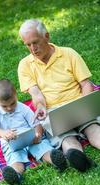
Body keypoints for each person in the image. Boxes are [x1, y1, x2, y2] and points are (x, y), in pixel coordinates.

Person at [18, 19, 100, 172]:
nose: (32, 48)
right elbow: (36, 94)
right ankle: (79, 159)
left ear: (47, 36)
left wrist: (83, 105)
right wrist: (41, 107)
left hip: (78, 103)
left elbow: (85, 84)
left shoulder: (69, 54)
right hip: (53, 113)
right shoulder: (25, 65)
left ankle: (80, 149)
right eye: (28, 45)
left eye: (35, 42)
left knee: (93, 129)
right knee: (66, 138)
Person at [0, 79, 67, 185]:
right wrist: (3, 133)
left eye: (12, 103)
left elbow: (37, 124)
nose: (9, 108)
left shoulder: (23, 108)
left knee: (43, 148)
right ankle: (15, 175)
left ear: (16, 95)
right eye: (4, 106)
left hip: (30, 138)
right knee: (15, 159)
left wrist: (38, 135)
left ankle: (57, 161)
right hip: (12, 143)